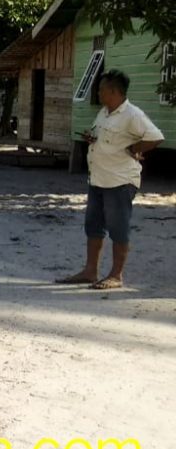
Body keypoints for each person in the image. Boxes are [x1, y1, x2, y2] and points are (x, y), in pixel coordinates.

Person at [55, 70, 163, 289]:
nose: (98, 92)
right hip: (98, 178)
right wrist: (92, 138)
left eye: (102, 88)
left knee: (117, 227)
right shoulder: (104, 113)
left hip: (120, 180)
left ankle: (116, 275)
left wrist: (135, 147)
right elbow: (103, 136)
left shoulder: (133, 114)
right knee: (93, 225)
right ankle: (90, 271)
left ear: (113, 91)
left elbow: (156, 137)